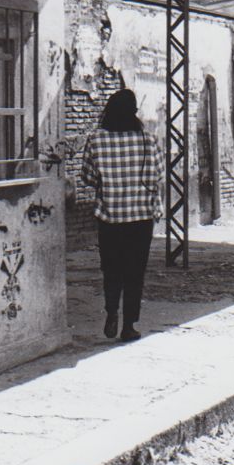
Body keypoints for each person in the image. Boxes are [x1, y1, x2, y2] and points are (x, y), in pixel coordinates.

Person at [81, 89, 164, 342]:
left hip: (110, 218)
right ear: (134, 113)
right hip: (140, 218)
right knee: (134, 272)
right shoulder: (147, 140)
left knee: (112, 269)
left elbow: (87, 177)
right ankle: (129, 325)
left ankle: (111, 312)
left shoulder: (96, 139)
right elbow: (157, 176)